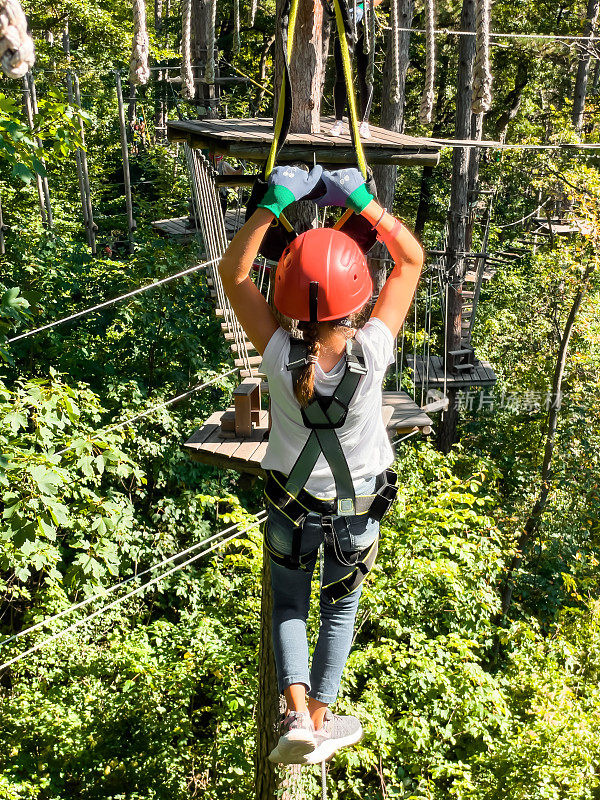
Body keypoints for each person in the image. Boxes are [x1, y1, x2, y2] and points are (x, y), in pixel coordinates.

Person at [218, 165, 424, 764]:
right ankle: (320, 718)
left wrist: (272, 204)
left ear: (284, 298)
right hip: (356, 510)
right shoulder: (374, 349)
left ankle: (295, 713)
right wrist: (364, 201)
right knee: (338, 605)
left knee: (289, 604)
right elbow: (409, 260)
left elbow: (233, 273)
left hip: (288, 503)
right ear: (358, 298)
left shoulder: (277, 349)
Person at [331, 0, 385, 140]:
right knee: (341, 75)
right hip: (344, 22)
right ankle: (338, 122)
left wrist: (364, 6)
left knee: (365, 76)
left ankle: (364, 123)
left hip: (365, 25)